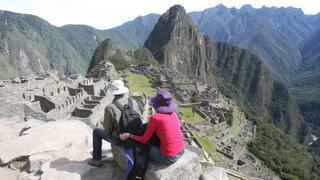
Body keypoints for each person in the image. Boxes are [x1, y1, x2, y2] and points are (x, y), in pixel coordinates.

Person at [120, 90, 185, 165]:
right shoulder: (174, 114)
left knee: (140, 145)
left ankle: (132, 164)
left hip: (169, 157)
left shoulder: (155, 118)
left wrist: (129, 135)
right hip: (181, 150)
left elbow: (144, 140)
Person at [88, 79, 140, 167]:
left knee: (96, 132)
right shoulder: (133, 102)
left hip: (121, 139)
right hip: (135, 136)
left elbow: (108, 129)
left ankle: (96, 159)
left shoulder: (110, 107)